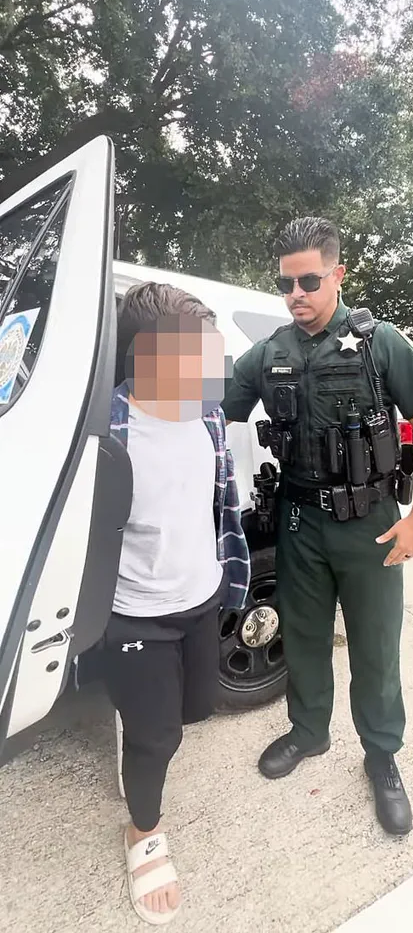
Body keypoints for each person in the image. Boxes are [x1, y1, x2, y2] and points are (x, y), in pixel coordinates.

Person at [222, 217, 413, 836]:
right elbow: (211, 412)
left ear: (338, 274)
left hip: (369, 523)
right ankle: (308, 732)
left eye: (309, 281)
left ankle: (382, 755)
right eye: (285, 283)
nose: (295, 293)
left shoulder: (380, 343)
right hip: (299, 520)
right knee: (303, 637)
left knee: (375, 646)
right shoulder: (269, 354)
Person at [105, 282, 250, 924]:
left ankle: (140, 716)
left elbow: (220, 503)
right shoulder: (105, 434)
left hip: (201, 596)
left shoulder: (207, 416)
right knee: (157, 737)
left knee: (197, 709)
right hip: (135, 612)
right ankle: (143, 830)